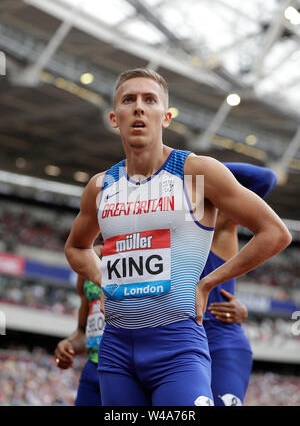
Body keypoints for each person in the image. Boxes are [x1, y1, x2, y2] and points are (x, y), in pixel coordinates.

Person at [64, 67, 291, 406]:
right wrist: (103, 276)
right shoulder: (100, 187)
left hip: (176, 346)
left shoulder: (196, 173)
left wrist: (207, 284)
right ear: (115, 118)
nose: (139, 107)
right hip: (115, 350)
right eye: (129, 100)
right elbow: (77, 248)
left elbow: (274, 233)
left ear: (166, 116)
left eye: (149, 100)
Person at [201, 163, 278, 406]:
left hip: (221, 340)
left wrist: (190, 165)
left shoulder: (219, 224)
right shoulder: (156, 235)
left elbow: (266, 178)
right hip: (176, 341)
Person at [54, 244, 104, 406]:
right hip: (93, 369)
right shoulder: (86, 260)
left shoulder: (139, 252)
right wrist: (69, 345)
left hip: (125, 369)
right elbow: (83, 333)